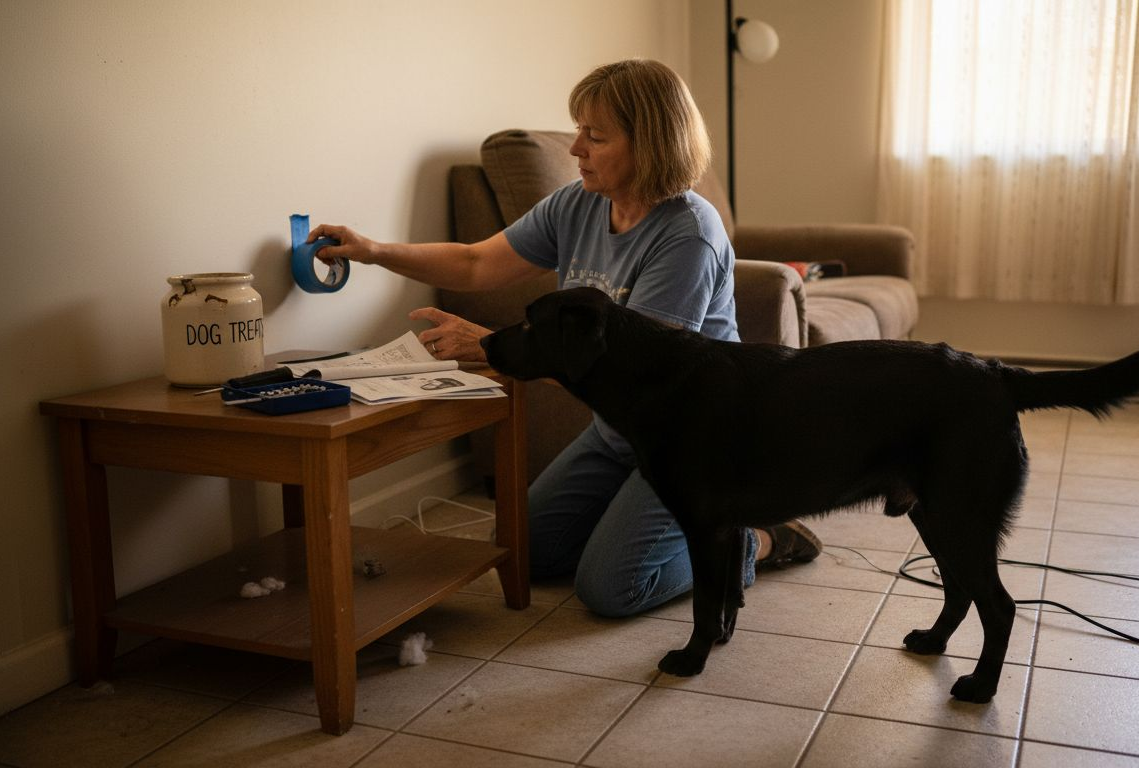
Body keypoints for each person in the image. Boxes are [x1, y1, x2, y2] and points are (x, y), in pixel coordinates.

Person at [309, 59, 821, 617]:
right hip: (618, 432)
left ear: (648, 143)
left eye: (594, 135)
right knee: (519, 555)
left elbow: (635, 374)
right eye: (577, 128)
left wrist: (493, 347)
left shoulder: (688, 233)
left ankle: (755, 540)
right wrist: (374, 251)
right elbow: (477, 262)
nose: (576, 147)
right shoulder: (576, 204)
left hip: (695, 440)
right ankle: (652, 522)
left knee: (610, 589)